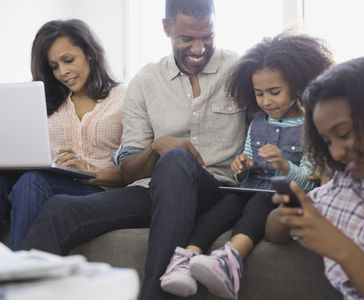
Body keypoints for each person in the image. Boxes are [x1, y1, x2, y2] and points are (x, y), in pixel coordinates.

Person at [20, 1, 247, 299]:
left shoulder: (239, 70)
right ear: (167, 28)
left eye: (207, 37)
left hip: (216, 191)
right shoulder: (145, 81)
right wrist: (155, 148)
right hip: (154, 191)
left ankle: (153, 294)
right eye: (187, 39)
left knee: (176, 160)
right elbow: (128, 168)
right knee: (60, 209)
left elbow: (277, 119)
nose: (198, 48)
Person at [159, 33, 334, 299]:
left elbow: (309, 182)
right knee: (226, 204)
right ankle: (186, 258)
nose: (266, 101)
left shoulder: (311, 126)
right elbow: (244, 166)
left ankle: (229, 261)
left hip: (280, 196)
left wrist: (285, 166)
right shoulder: (258, 123)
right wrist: (241, 166)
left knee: (260, 203)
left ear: (298, 86)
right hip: (251, 188)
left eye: (275, 92)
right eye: (259, 94)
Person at [266, 55, 364, 299]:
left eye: (344, 134)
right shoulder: (345, 187)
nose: (336, 153)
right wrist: (291, 212)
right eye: (327, 141)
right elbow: (274, 233)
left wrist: (340, 247)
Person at [0, 19, 126, 250]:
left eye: (68, 61)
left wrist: (87, 172)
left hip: (99, 190)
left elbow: (134, 170)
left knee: (32, 182)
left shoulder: (123, 98)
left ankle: (19, 278)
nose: (63, 72)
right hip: (45, 183)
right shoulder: (46, 104)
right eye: (54, 66)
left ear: (89, 52)